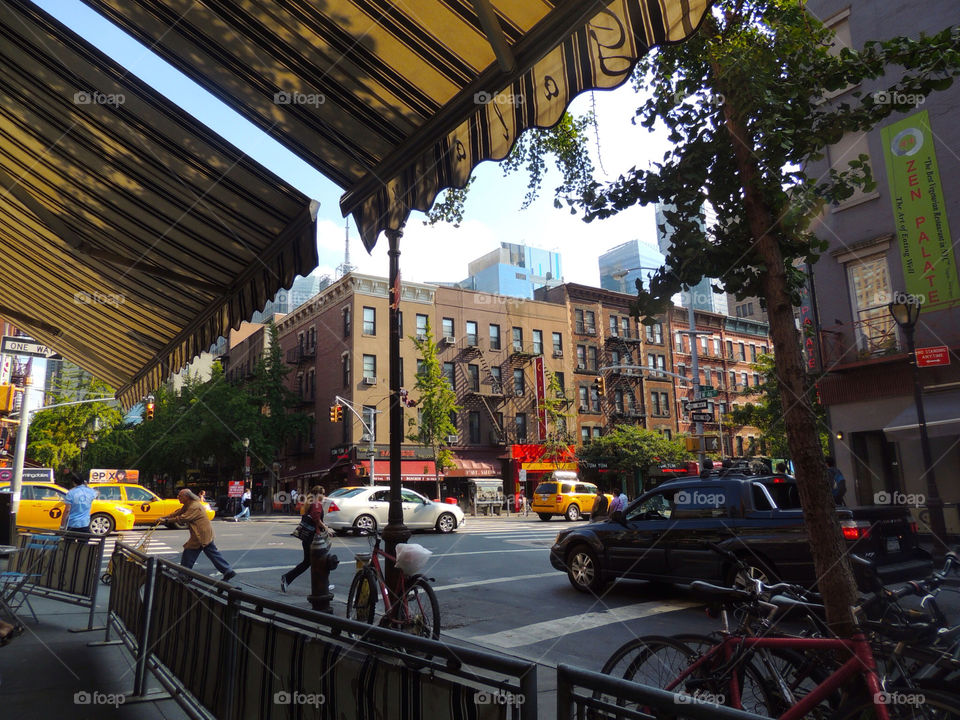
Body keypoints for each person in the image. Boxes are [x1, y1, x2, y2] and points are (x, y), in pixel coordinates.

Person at [163, 489, 235, 582]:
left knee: (189, 552)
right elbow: (178, 512)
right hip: (202, 533)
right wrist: (164, 517)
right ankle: (227, 570)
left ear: (187, 497)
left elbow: (183, 518)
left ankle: (184, 574)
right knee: (211, 553)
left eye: (180, 496)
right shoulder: (189, 504)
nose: (178, 497)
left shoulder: (194, 506)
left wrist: (166, 521)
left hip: (200, 534)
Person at [281, 486, 333, 592]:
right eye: (322, 493)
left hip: (308, 538)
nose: (323, 496)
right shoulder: (316, 504)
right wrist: (326, 528)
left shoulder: (310, 502)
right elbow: (316, 518)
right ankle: (324, 585)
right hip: (315, 539)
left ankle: (287, 578)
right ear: (317, 494)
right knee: (321, 562)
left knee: (308, 562)